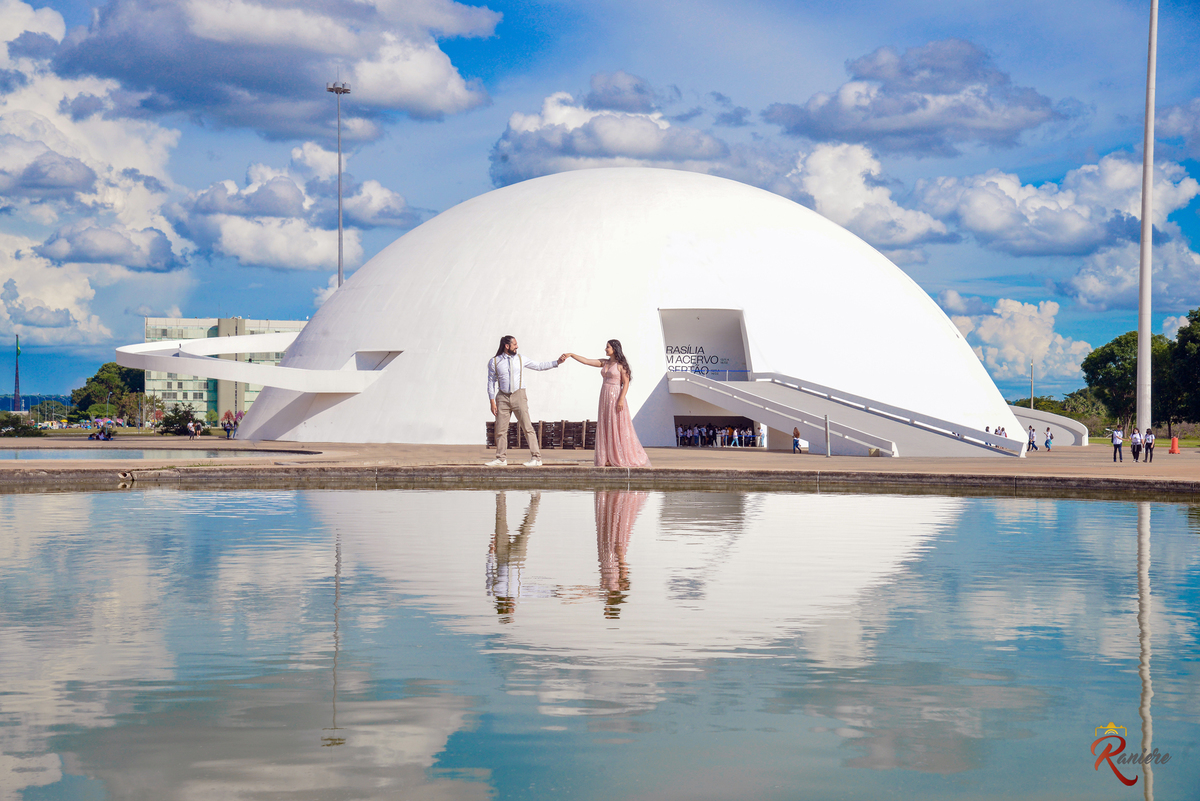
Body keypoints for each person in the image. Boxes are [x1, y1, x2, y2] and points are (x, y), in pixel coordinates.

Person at [566, 340, 652, 468]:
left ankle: (619, 456)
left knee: (616, 425)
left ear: (614, 348)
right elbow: (587, 361)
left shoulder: (621, 365)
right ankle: (607, 457)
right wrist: (571, 355)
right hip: (604, 395)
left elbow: (626, 383)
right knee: (606, 424)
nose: (605, 349)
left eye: (608, 347)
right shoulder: (604, 362)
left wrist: (621, 399)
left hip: (616, 395)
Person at [486, 335, 567, 467]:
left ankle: (536, 458)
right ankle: (501, 458)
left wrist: (556, 362)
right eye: (515, 344)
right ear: (507, 346)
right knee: (500, 429)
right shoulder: (494, 362)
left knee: (527, 427)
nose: (517, 347)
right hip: (502, 397)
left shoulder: (520, 359)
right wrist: (492, 402)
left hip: (519, 395)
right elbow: (490, 383)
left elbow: (539, 366)